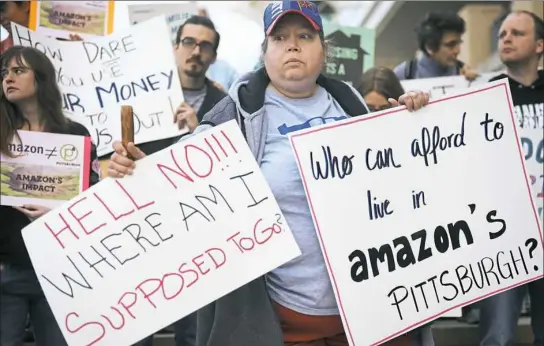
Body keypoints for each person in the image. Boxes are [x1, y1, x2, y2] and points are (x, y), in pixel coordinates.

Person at [107, 2, 430, 346]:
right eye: (279, 37)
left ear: (324, 50)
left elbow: (390, 184)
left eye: (305, 36)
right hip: (283, 324)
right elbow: (175, 177)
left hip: (367, 315)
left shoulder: (349, 101)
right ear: (265, 51)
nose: (292, 45)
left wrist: (415, 121)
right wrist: (131, 170)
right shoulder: (236, 112)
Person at [131, 14, 227, 346]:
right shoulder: (143, 98)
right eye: (189, 42)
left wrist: (200, 129)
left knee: (192, 334)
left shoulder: (226, 106)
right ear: (175, 47)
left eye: (205, 45)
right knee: (138, 328)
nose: (195, 51)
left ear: (214, 56)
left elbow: (232, 169)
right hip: (146, 231)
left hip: (197, 237)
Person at [0, 45, 100, 346]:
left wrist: (60, 211)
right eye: (4, 72)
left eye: (18, 71)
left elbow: (94, 200)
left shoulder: (75, 134)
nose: (8, 78)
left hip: (60, 271)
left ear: (41, 78)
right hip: (7, 270)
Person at [357, 66, 436, 346]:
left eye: (382, 108)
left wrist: (419, 110)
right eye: (368, 107)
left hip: (408, 265)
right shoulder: (345, 148)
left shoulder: (410, 138)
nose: (375, 115)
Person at [479, 10, 544, 346]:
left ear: (539, 45)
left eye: (517, 33)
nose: (505, 39)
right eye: (502, 34)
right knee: (497, 336)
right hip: (502, 238)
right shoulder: (483, 97)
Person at [393, 11, 478, 81]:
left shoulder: (463, 72)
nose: (457, 51)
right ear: (430, 47)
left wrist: (475, 83)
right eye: (450, 45)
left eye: (458, 43)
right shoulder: (404, 74)